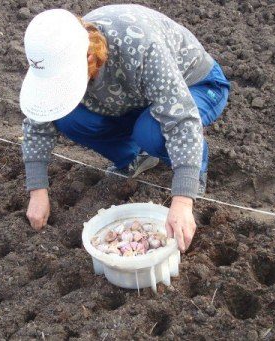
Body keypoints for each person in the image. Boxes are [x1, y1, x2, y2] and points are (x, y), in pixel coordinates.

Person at [19, 5, 230, 252]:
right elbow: (38, 120)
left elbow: (180, 118)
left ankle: (197, 167)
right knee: (68, 117)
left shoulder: (139, 47)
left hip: (196, 85)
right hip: (135, 97)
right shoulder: (52, 55)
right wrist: (37, 191)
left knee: (150, 131)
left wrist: (183, 200)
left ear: (88, 57)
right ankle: (135, 157)